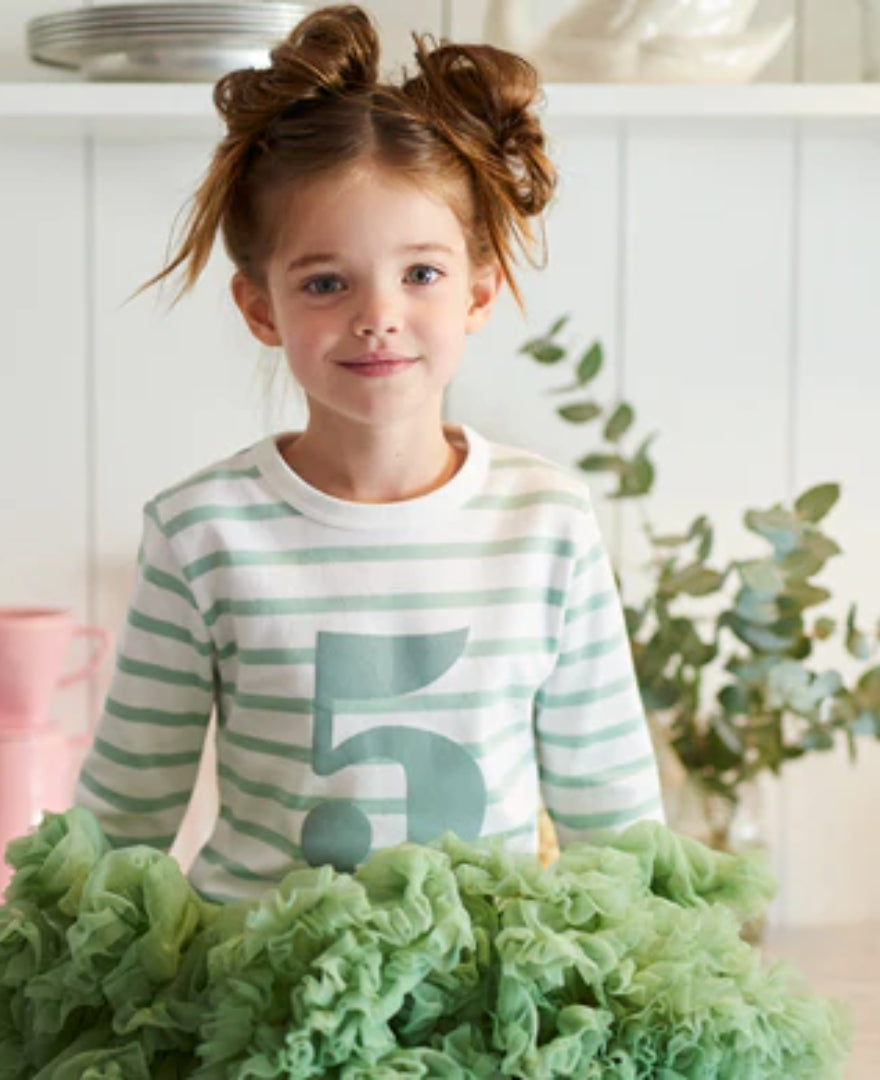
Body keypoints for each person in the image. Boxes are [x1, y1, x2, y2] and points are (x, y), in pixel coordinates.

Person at [73, 3, 664, 904]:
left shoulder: (547, 522)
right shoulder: (202, 532)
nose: (377, 313)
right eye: (325, 281)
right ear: (260, 308)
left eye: (421, 273)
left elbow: (614, 814)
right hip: (257, 992)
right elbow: (124, 811)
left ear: (479, 291)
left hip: (486, 994)